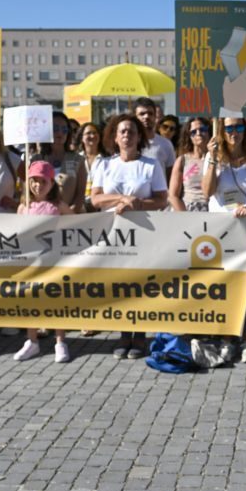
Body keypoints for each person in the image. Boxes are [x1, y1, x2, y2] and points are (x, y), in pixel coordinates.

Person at [90, 114, 168, 359]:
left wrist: (138, 205)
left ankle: (140, 336)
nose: (127, 135)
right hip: (113, 234)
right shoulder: (104, 164)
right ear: (114, 136)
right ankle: (123, 335)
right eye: (122, 131)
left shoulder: (151, 165)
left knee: (140, 285)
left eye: (132, 131)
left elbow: (161, 199)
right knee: (119, 286)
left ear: (139, 136)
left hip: (143, 232)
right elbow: (95, 199)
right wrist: (122, 199)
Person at [203, 117, 246, 363]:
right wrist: (211, 159)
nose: (234, 132)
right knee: (224, 286)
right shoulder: (214, 157)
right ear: (221, 130)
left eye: (239, 127)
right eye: (228, 128)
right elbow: (207, 191)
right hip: (220, 230)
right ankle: (227, 337)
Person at [14, 161, 73, 363]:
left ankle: (60, 341)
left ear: (51, 183)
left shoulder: (58, 206)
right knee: (31, 300)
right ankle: (32, 341)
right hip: (31, 262)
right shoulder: (24, 207)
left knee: (55, 300)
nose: (38, 185)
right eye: (34, 181)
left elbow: (77, 225)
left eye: (43, 181)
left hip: (54, 261)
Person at [33, 111, 86, 214]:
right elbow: (29, 193)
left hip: (71, 219)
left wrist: (69, 215)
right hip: (42, 219)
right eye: (55, 128)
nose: (60, 133)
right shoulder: (36, 160)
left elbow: (80, 195)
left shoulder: (78, 160)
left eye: (64, 129)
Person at [168, 117, 211, 212]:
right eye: (193, 132)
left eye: (203, 130)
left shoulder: (218, 159)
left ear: (209, 132)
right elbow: (173, 196)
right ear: (189, 136)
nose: (198, 134)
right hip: (188, 209)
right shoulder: (182, 160)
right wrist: (186, 217)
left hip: (213, 211)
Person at [134, 97, 175, 179]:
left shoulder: (166, 144)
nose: (146, 116)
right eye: (142, 114)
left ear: (155, 116)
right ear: (135, 117)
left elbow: (170, 175)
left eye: (150, 113)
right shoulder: (129, 144)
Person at [77, 122, 109, 214]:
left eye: (95, 133)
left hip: (101, 207)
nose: (92, 135)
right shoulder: (76, 159)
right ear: (82, 138)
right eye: (88, 133)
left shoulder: (107, 159)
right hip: (80, 208)